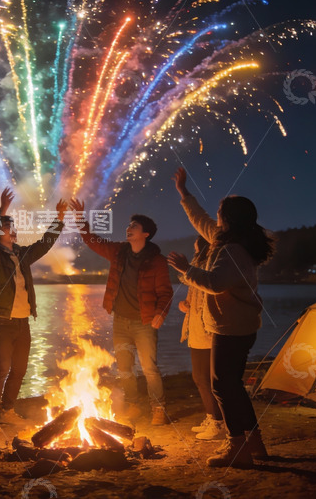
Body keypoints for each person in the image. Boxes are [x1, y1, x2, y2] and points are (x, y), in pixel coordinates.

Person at [167, 167, 274, 469]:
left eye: (219, 212)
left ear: (230, 219)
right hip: (235, 326)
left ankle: (236, 446)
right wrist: (183, 193)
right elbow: (199, 218)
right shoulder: (223, 241)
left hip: (232, 328)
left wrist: (187, 269)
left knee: (222, 386)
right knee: (233, 385)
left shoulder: (233, 251)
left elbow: (215, 283)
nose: (214, 217)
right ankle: (255, 443)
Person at [69, 199, 173, 425]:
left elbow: (165, 292)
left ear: (145, 234)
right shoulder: (119, 252)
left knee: (149, 368)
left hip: (144, 323)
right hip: (121, 321)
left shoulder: (157, 261)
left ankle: (158, 408)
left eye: (134, 226)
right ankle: (134, 405)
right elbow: (93, 241)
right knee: (125, 368)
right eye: (128, 225)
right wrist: (80, 218)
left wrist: (161, 313)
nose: (128, 228)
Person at [0, 189, 67, 434]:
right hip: (1, 321)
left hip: (22, 321)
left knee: (19, 369)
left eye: (13, 226)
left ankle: (7, 411)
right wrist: (2, 210)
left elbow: (44, 244)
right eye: (7, 227)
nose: (13, 229)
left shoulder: (21, 254)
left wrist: (58, 220)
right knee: (1, 368)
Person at [179, 236, 225, 441]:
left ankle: (219, 423)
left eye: (196, 245)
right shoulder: (198, 267)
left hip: (208, 331)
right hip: (195, 329)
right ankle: (211, 417)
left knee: (208, 379)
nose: (194, 248)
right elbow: (193, 296)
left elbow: (212, 294)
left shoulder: (212, 266)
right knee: (199, 378)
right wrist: (185, 305)